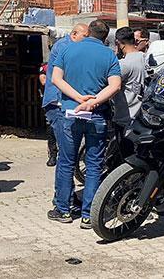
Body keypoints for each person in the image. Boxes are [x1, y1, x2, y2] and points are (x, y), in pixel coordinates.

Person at [49, 20, 121, 228]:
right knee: (94, 165)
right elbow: (115, 85)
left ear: (88, 32)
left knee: (66, 162)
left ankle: (63, 210)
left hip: (69, 113)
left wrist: (79, 99)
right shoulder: (109, 55)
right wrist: (93, 101)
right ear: (105, 38)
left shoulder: (69, 49)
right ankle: (89, 215)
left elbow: (56, 79)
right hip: (96, 115)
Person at [40, 24, 89, 168]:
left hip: (68, 102)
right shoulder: (64, 46)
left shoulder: (74, 46)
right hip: (58, 102)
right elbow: (64, 75)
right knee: (65, 149)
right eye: (85, 36)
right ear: (74, 34)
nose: (86, 40)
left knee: (70, 147)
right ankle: (64, 189)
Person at [112, 27, 146, 130]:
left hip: (125, 118)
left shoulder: (123, 64)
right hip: (143, 116)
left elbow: (110, 85)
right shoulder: (145, 57)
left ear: (118, 42)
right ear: (134, 41)